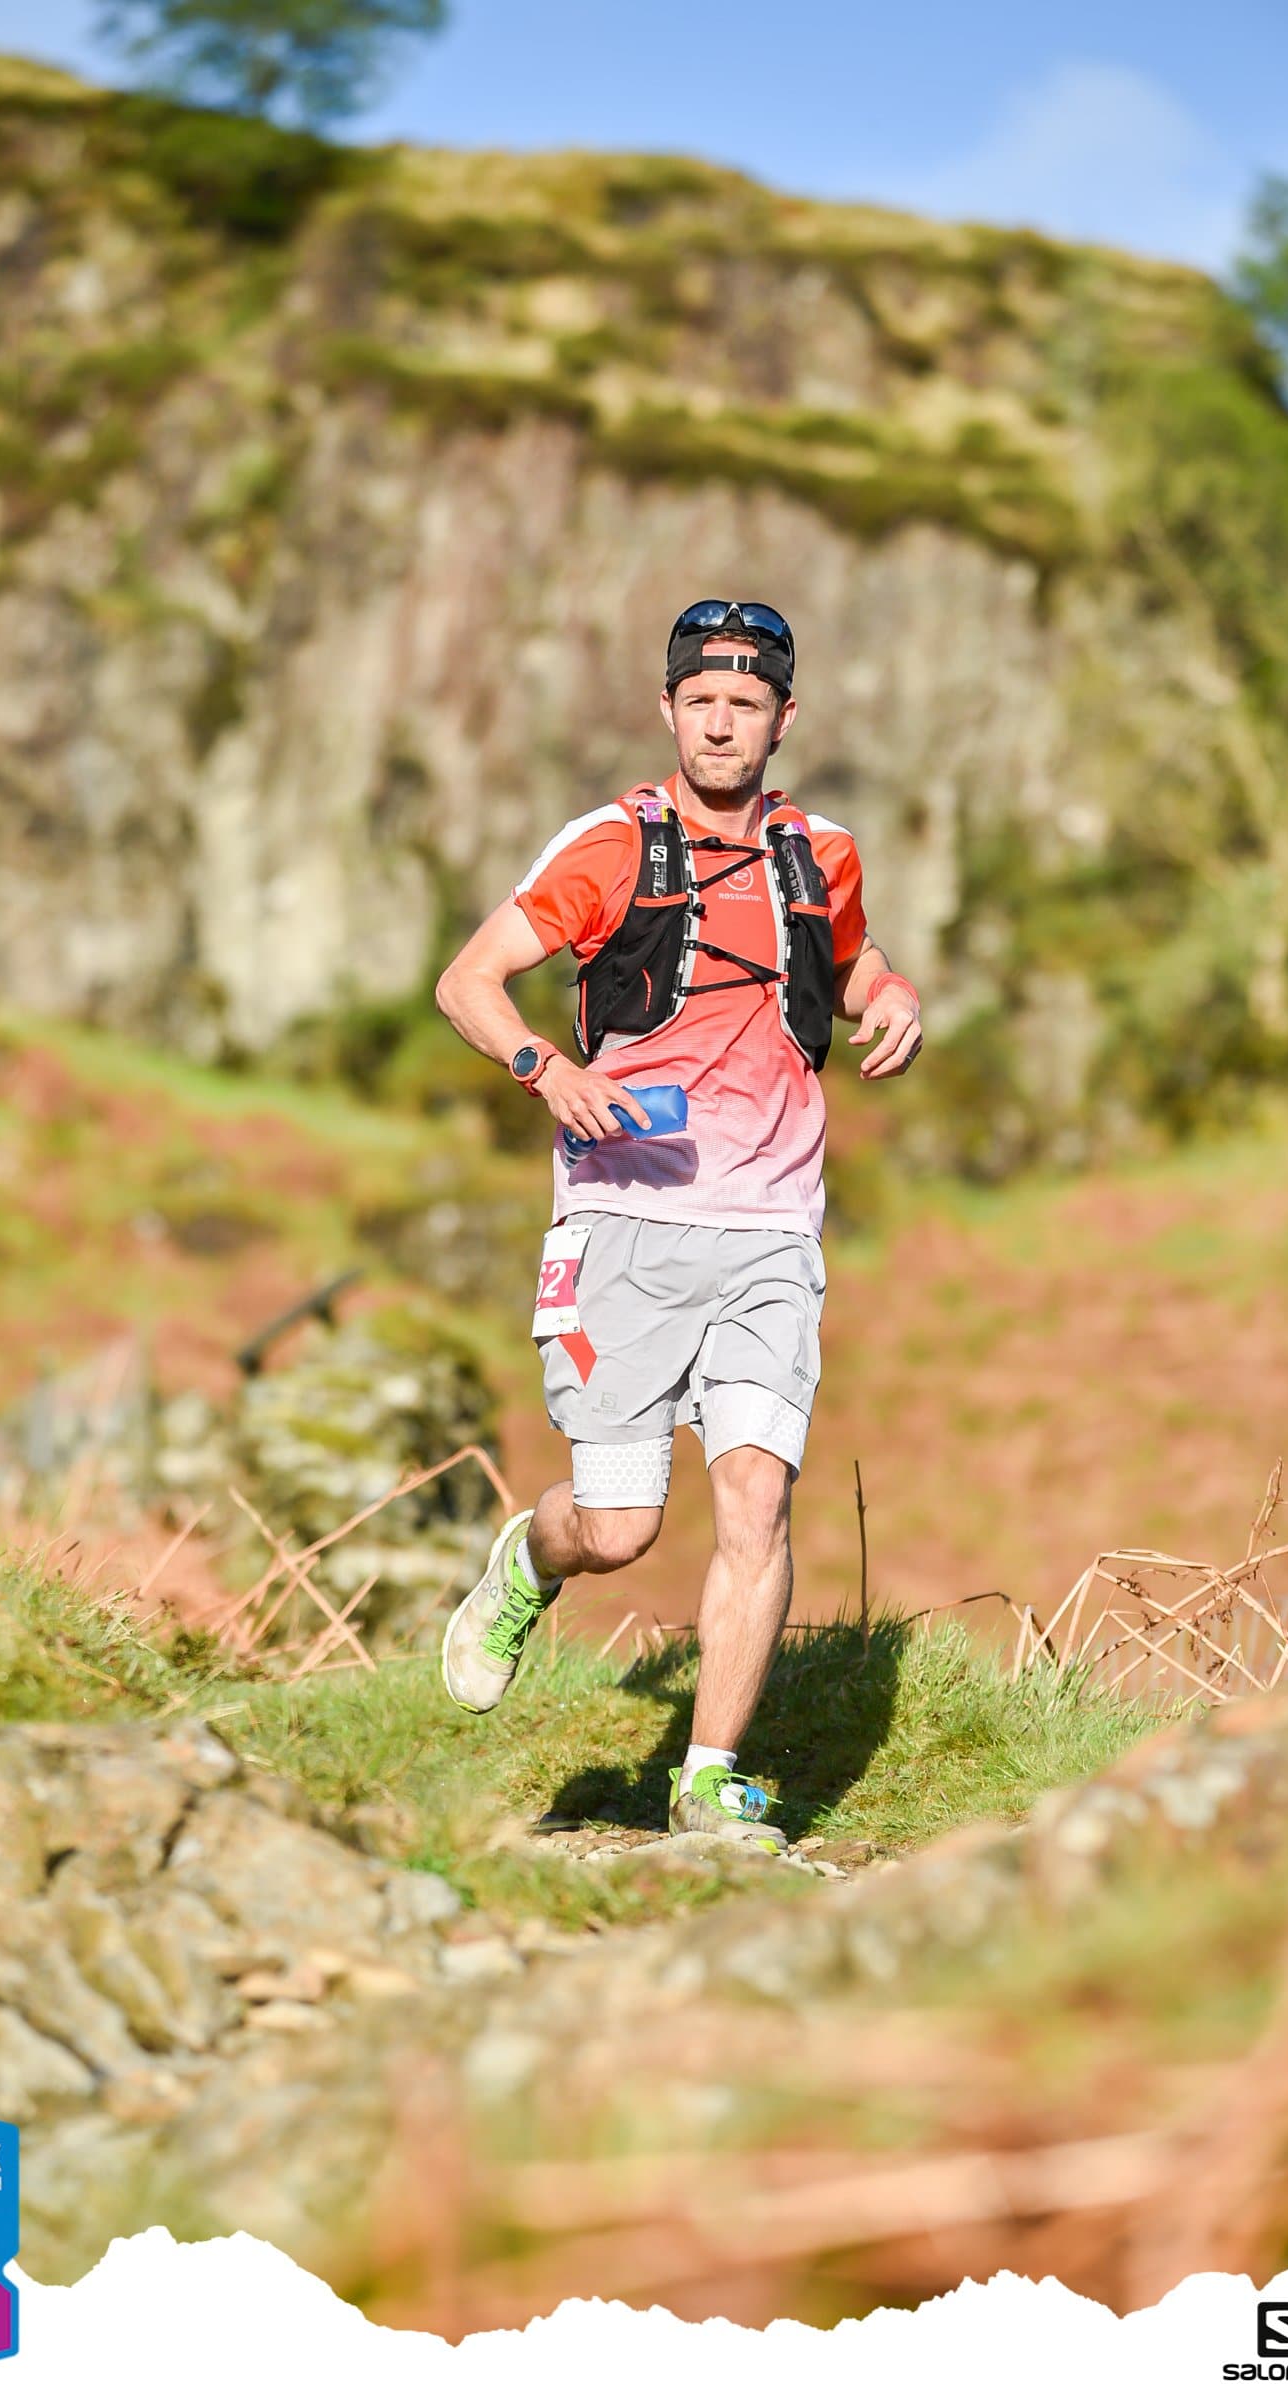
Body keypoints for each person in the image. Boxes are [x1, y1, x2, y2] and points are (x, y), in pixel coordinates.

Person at [432, 600, 923, 1851]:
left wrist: (891, 992)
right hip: (624, 1220)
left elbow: (848, 964)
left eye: (744, 704)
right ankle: (528, 1566)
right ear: (667, 709)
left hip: (773, 1229)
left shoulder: (823, 853)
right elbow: (468, 981)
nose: (719, 724)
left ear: (783, 719)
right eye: (699, 701)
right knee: (620, 1529)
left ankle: (705, 1782)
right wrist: (546, 1068)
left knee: (756, 1502)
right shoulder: (609, 845)